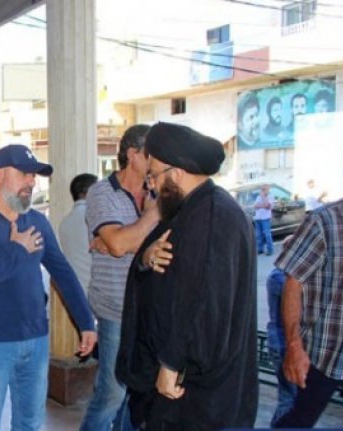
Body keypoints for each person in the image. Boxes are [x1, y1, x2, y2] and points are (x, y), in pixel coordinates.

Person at [116, 121, 258, 430]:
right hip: (179, 384)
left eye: (154, 175)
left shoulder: (214, 217)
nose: (151, 185)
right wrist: (146, 257)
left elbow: (206, 305)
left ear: (177, 173)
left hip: (194, 393)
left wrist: (171, 364)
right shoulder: (188, 210)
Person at [0, 144, 97, 430]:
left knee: (31, 423)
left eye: (34, 176)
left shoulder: (37, 222)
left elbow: (63, 273)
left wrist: (86, 322)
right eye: (24, 174)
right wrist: (17, 250)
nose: (32, 182)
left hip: (35, 339)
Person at [81, 124, 158, 431]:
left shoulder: (159, 190)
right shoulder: (102, 192)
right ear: (132, 154)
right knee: (112, 391)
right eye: (152, 153)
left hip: (151, 309)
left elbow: (169, 244)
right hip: (116, 308)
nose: (158, 160)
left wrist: (124, 240)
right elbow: (116, 244)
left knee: (139, 391)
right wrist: (152, 215)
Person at [273, 142, 343, 428]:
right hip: (326, 351)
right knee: (297, 421)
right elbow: (292, 282)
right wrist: (294, 346)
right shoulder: (324, 222)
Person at [264, 262, 298, 427]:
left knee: (288, 395)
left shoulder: (277, 276)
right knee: (290, 398)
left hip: (279, 342)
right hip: (283, 345)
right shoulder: (280, 278)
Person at [58, 173, 98, 295]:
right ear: (87, 193)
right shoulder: (95, 218)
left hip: (75, 293)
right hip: (97, 294)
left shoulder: (64, 223)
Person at [253, 184, 275, 255]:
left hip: (265, 218)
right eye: (261, 189)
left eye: (264, 189)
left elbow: (267, 206)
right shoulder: (258, 197)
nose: (262, 191)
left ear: (267, 190)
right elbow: (255, 206)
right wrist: (262, 205)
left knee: (267, 234)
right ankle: (260, 249)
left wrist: (263, 197)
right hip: (258, 218)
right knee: (259, 235)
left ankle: (270, 250)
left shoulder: (270, 197)